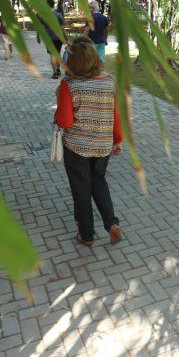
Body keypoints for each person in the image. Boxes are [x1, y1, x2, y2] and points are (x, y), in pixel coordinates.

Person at [54, 37, 124, 247]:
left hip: (77, 147)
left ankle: (86, 235)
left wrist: (59, 104)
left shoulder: (68, 85)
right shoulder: (109, 81)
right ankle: (112, 224)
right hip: (102, 145)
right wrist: (117, 140)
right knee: (99, 182)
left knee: (81, 189)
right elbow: (115, 114)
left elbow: (65, 121)